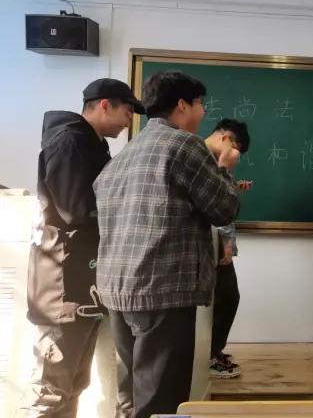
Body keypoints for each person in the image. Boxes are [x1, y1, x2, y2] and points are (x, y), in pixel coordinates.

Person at [93, 71, 240, 418]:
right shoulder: (184, 145)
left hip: (116, 290)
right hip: (162, 291)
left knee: (130, 399)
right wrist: (224, 169)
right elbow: (224, 208)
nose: (204, 112)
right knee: (161, 403)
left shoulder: (126, 154)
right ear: (182, 105)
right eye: (200, 103)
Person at [25, 78, 143, 417]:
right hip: (62, 285)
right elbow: (74, 209)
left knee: (75, 383)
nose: (128, 122)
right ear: (104, 105)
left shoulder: (90, 143)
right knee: (51, 389)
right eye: (127, 112)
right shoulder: (70, 141)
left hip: (83, 285)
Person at [203, 119, 252, 378]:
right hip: (210, 245)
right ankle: (209, 356)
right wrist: (226, 241)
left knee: (227, 298)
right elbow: (214, 206)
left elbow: (219, 197)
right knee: (226, 298)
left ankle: (213, 351)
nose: (237, 156)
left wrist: (232, 185)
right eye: (236, 149)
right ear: (225, 138)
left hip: (217, 243)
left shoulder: (212, 162)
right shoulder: (203, 160)